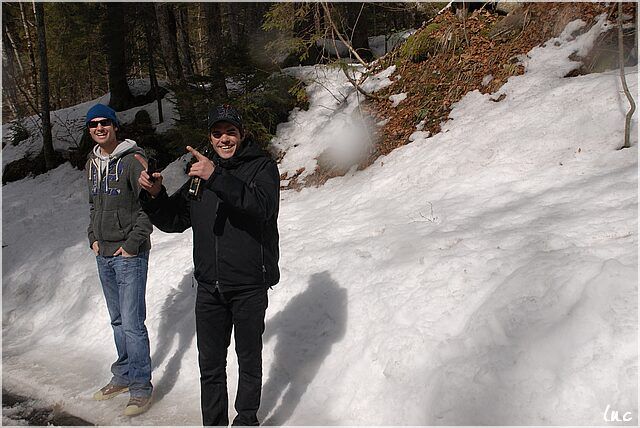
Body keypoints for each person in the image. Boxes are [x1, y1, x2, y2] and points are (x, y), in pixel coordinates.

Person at [136, 105, 280, 426]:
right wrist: (156, 195)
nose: (224, 139)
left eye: (230, 132)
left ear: (242, 134)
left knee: (248, 361)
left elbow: (262, 207)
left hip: (248, 285)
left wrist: (216, 177)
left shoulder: (262, 167)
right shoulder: (200, 172)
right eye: (217, 133)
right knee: (210, 366)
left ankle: (246, 420)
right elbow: (176, 219)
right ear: (210, 137)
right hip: (209, 288)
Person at [85, 103, 154, 416]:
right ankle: (124, 374)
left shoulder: (133, 160)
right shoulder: (92, 162)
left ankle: (140, 387)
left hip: (129, 256)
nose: (99, 128)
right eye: (93, 124)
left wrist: (131, 245)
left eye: (105, 123)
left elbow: (149, 206)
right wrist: (93, 237)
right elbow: (93, 206)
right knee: (117, 321)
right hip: (103, 254)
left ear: (115, 126)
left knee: (133, 324)